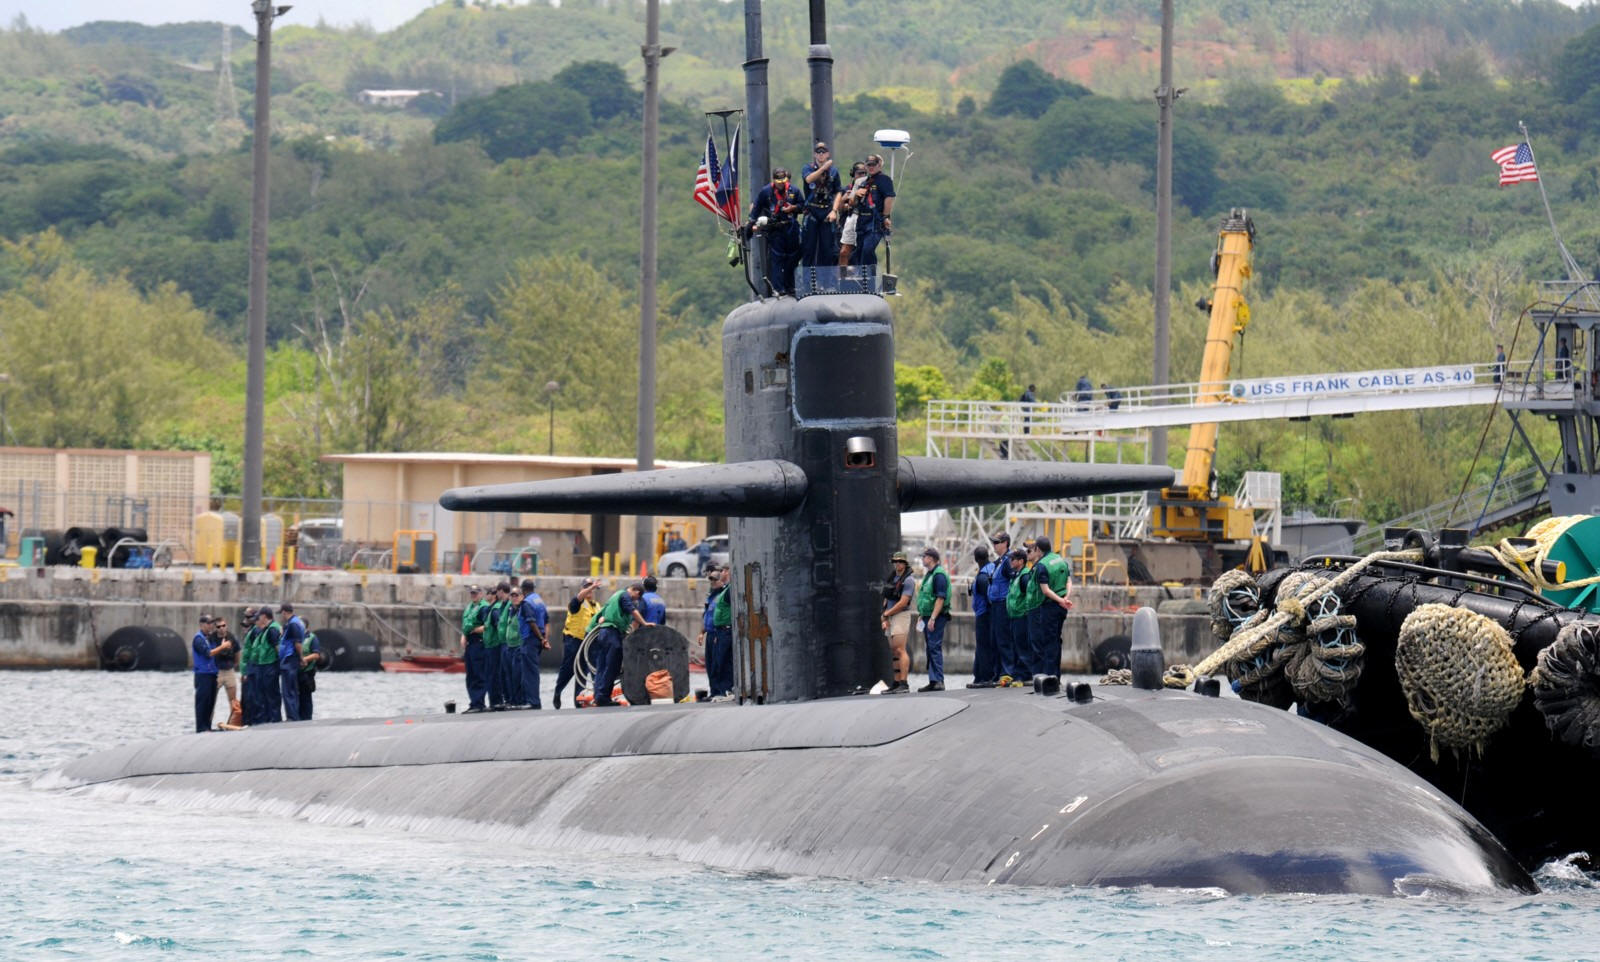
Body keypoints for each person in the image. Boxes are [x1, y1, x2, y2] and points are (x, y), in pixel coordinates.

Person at [587, 582, 646, 707]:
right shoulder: (625, 596)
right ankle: (603, 697)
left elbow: (601, 614)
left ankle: (599, 696)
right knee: (612, 666)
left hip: (604, 633)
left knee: (602, 666)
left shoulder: (615, 596)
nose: (636, 600)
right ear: (635, 591)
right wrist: (644, 623)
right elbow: (633, 611)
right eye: (637, 597)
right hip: (611, 633)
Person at [749, 167, 804, 296]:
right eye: (778, 181)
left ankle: (790, 286)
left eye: (783, 180)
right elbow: (756, 208)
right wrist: (752, 222)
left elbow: (802, 206)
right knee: (777, 259)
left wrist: (793, 208)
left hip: (790, 227)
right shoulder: (766, 191)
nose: (781, 183)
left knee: (792, 259)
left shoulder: (794, 190)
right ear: (774, 180)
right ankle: (779, 289)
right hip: (775, 229)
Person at [1026, 536, 1073, 679]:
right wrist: (1065, 599)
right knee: (1056, 641)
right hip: (1061, 606)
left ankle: (1049, 676)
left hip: (1049, 606)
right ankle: (1055, 676)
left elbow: (1045, 590)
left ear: (1038, 550)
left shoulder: (1042, 565)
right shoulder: (1061, 560)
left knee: (1048, 643)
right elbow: (1069, 582)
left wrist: (1060, 601)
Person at [554, 579, 602, 709]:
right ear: (582, 588)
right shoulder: (577, 602)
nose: (590, 590)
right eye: (587, 587)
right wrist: (591, 587)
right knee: (569, 669)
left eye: (591, 588)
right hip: (574, 641)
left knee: (586, 670)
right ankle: (558, 691)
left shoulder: (596, 605)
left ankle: (580, 699)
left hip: (589, 642)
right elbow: (579, 597)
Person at [985, 533, 1023, 686]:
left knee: (1004, 640)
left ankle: (1008, 673)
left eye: (997, 542)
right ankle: (1000, 672)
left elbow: (1013, 581)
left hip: (1002, 604)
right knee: (996, 640)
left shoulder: (1008, 561)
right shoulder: (999, 561)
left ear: (1005, 543)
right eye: (993, 542)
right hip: (995, 605)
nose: (994, 545)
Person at [799, 141, 842, 271]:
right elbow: (809, 179)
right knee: (808, 248)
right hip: (812, 210)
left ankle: (826, 283)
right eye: (818, 152)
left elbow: (838, 191)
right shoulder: (808, 168)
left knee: (827, 249)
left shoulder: (834, 171)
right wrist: (823, 168)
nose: (821, 155)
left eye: (824, 152)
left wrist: (834, 210)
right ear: (814, 154)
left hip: (827, 211)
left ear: (828, 154)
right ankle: (807, 283)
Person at [915, 547, 951, 692]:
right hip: (927, 615)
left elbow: (940, 598)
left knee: (934, 647)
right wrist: (921, 615)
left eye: (924, 557)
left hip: (936, 616)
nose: (922, 559)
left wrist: (933, 618)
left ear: (931, 558)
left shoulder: (939, 575)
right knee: (930, 648)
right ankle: (933, 679)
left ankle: (938, 680)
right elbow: (926, 597)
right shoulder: (930, 574)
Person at [880, 551, 914, 693]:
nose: (897, 564)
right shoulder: (893, 578)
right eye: (895, 561)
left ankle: (904, 683)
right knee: (894, 651)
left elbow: (903, 602)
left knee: (900, 649)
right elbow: (887, 597)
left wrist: (888, 613)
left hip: (900, 616)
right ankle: (896, 681)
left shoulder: (909, 580)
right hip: (890, 616)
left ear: (905, 563)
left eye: (900, 561)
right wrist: (884, 616)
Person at [855, 153, 896, 269]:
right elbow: (854, 203)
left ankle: (868, 278)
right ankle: (866, 278)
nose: (871, 167)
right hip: (862, 220)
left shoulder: (884, 179)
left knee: (867, 250)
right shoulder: (864, 182)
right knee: (861, 250)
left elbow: (889, 197)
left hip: (875, 222)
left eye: (873, 164)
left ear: (879, 165)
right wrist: (856, 194)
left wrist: (886, 217)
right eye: (868, 165)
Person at [700, 564, 734, 699]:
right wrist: (702, 632)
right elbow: (708, 615)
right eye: (711, 580)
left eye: (715, 580)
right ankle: (715, 691)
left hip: (720, 632)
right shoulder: (713, 597)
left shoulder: (726, 592)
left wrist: (716, 632)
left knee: (720, 662)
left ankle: (722, 690)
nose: (713, 583)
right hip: (713, 632)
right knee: (711, 664)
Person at [967, 545, 998, 688]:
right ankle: (978, 676)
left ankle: (985, 677)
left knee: (983, 646)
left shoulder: (982, 576)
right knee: (982, 646)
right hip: (989, 614)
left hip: (984, 614)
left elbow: (988, 595)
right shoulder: (993, 568)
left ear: (976, 559)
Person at [518, 579, 550, 710]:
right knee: (533, 670)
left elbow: (531, 623)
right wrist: (544, 639)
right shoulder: (539, 601)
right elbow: (546, 620)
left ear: (523, 590)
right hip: (537, 639)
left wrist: (541, 638)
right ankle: (534, 700)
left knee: (530, 672)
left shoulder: (527, 603)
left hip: (530, 639)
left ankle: (533, 701)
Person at [1005, 548, 1036, 680]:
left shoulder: (1024, 577)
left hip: (1022, 616)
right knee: (1016, 647)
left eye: (1013, 559)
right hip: (1014, 616)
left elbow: (1028, 597)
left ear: (1021, 561)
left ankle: (1026, 675)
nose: (1010, 561)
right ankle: (1018, 673)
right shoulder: (1016, 575)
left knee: (1023, 646)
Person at [835, 161, 870, 273]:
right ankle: (842, 278)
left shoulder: (870, 187)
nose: (862, 176)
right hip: (848, 222)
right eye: (859, 173)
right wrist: (846, 200)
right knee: (843, 252)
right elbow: (839, 208)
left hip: (864, 222)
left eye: (865, 173)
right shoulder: (847, 189)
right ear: (853, 174)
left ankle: (861, 278)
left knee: (861, 253)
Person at [191, 614, 223, 732]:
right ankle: (201, 727)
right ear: (202, 625)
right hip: (202, 674)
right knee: (202, 701)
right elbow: (208, 653)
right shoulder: (198, 639)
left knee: (210, 701)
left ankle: (207, 726)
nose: (211, 626)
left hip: (212, 673)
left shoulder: (210, 638)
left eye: (212, 624)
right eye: (208, 624)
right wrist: (223, 647)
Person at [460, 585, 489, 712]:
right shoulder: (470, 607)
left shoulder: (483, 607)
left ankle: (479, 703)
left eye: (476, 593)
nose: (473, 595)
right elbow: (466, 625)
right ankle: (474, 702)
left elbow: (488, 625)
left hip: (479, 642)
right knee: (470, 675)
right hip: (470, 643)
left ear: (481, 594)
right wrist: (464, 635)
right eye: (472, 593)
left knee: (478, 673)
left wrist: (475, 630)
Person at [483, 583, 511, 710]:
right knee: (492, 674)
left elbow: (498, 626)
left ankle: (496, 701)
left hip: (495, 646)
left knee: (495, 675)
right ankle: (495, 701)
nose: (485, 595)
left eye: (488, 593)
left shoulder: (496, 609)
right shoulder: (493, 608)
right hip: (492, 645)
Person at [276, 603, 304, 722]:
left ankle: (292, 717)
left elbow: (297, 643)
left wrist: (301, 657)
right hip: (290, 660)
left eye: (281, 613)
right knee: (292, 689)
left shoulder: (293, 624)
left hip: (289, 660)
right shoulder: (296, 622)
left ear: (284, 612)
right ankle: (294, 715)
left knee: (288, 690)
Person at [710, 565, 734, 698]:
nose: (722, 573)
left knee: (723, 661)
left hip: (726, 630)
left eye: (724, 571)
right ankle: (721, 690)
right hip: (720, 631)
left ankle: (725, 689)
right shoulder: (725, 589)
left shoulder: (730, 590)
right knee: (719, 661)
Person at [211, 615, 241, 725]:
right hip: (216, 672)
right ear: (215, 628)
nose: (222, 628)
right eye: (218, 627)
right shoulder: (212, 638)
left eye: (223, 626)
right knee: (211, 700)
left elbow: (238, 653)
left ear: (226, 625)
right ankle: (208, 724)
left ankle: (234, 723)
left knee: (233, 700)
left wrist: (234, 664)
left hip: (229, 671)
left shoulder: (232, 638)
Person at [502, 586, 527, 708]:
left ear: (522, 596)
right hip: (509, 646)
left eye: (517, 595)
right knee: (510, 675)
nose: (514, 598)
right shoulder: (511, 609)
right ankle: (513, 700)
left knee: (518, 675)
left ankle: (520, 700)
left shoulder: (523, 609)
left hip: (519, 646)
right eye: (512, 595)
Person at [297, 623, 323, 721]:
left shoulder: (312, 638)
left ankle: (307, 719)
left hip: (307, 672)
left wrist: (304, 659)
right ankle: (298, 718)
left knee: (306, 697)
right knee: (297, 696)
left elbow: (316, 654)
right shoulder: (296, 637)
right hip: (296, 671)